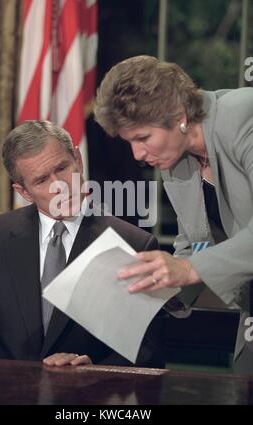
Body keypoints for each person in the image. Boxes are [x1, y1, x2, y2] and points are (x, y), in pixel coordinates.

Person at [0, 120, 165, 368]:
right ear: (24, 192)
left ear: (78, 160)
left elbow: (148, 349)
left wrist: (95, 365)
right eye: (42, 180)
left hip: (86, 397)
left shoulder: (133, 244)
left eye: (62, 168)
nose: (59, 186)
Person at [94, 55, 253, 374]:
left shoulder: (243, 115)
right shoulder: (177, 159)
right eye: (130, 141)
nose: (137, 154)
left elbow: (193, 263)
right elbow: (196, 246)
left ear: (179, 117)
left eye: (143, 138)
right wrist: (153, 291)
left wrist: (188, 268)